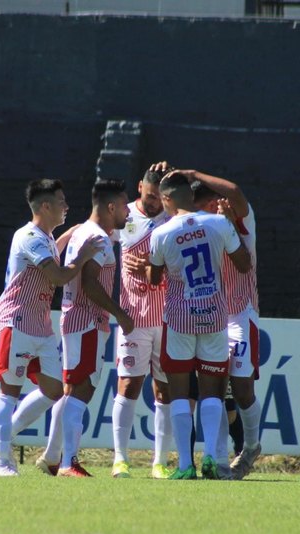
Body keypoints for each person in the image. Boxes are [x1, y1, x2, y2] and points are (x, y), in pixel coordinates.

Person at [0, 178, 104, 477]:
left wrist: (70, 233)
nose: (66, 206)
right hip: (15, 323)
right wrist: (83, 256)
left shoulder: (46, 237)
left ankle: (5, 432)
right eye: (61, 201)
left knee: (53, 390)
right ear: (45, 205)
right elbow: (57, 276)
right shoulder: (29, 236)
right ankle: (2, 461)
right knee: (9, 392)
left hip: (40, 327)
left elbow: (53, 249)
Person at [148, 171, 251, 480]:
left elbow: (154, 279)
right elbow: (244, 264)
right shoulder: (219, 223)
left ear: (166, 199)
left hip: (179, 318)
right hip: (215, 316)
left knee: (179, 393)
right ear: (191, 197)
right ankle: (209, 457)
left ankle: (184, 465)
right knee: (212, 392)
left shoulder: (161, 234)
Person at [35, 178, 135, 478]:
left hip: (78, 322)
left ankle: (53, 457)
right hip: (87, 323)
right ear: (110, 206)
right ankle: (68, 462)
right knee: (82, 390)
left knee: (70, 391)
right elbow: (90, 286)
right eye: (124, 206)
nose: (128, 213)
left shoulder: (86, 232)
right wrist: (121, 314)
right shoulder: (98, 239)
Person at [190, 171, 262, 480]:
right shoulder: (196, 230)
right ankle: (218, 459)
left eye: (198, 208)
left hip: (241, 315)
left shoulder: (239, 221)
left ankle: (252, 446)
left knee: (243, 388)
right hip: (212, 317)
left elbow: (236, 190)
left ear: (213, 203)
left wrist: (191, 173)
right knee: (214, 389)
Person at [111, 166, 174, 479]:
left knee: (165, 389)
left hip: (166, 319)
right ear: (139, 188)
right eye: (149, 197)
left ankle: (159, 463)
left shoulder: (172, 219)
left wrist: (151, 265)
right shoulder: (124, 217)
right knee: (128, 385)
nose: (153, 205)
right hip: (132, 318)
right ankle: (120, 460)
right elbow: (93, 230)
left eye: (158, 199)